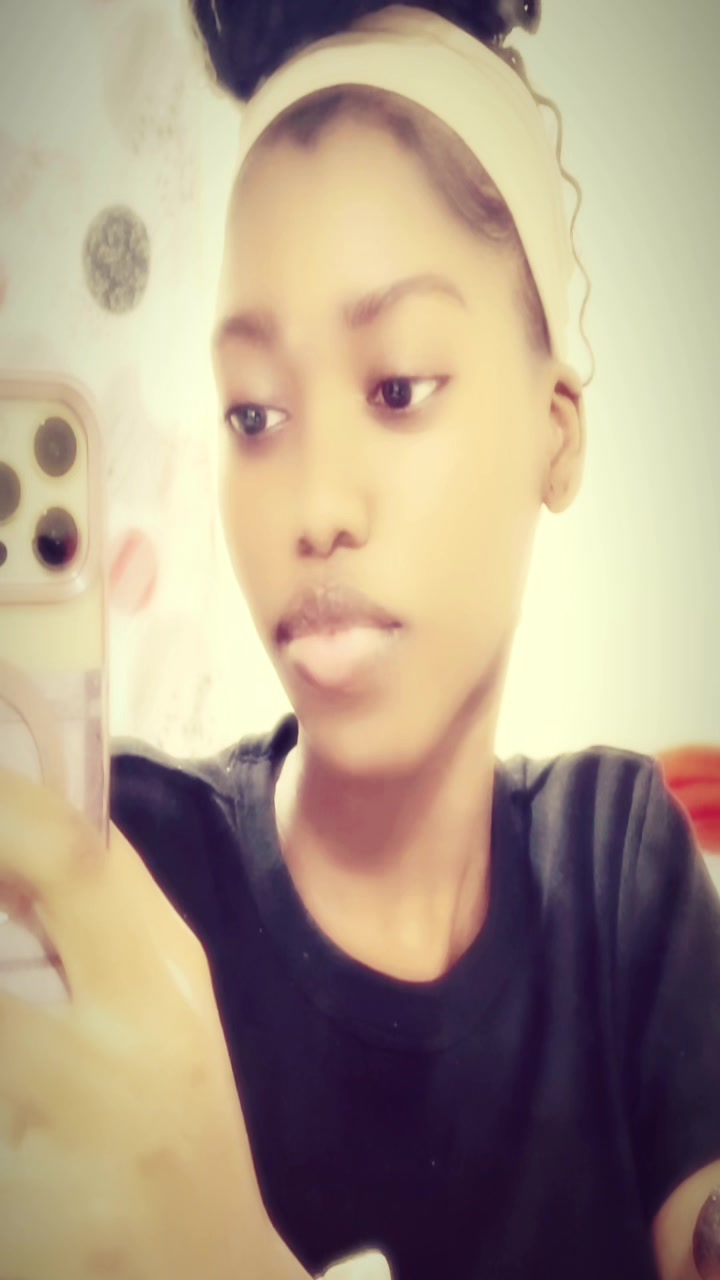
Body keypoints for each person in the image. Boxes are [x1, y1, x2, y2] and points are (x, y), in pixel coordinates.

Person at [1, 1, 719, 1277]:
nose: (314, 507)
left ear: (556, 431)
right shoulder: (115, 864)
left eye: (396, 388)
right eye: (254, 413)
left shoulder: (618, 868)